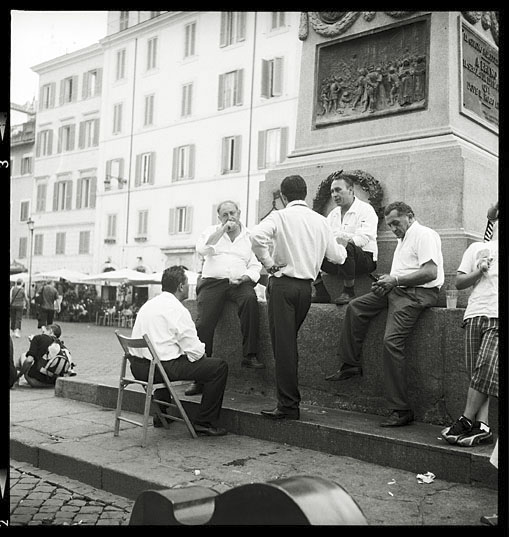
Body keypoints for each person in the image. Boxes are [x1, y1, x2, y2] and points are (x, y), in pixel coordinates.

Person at [325, 201, 444, 427]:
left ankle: (401, 409)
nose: (393, 229)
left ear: (410, 216)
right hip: (397, 289)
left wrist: (395, 280)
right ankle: (350, 364)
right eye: (389, 225)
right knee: (355, 307)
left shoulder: (424, 234)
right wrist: (386, 282)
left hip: (417, 293)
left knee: (391, 342)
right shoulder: (404, 239)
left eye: (396, 223)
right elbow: (403, 272)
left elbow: (430, 272)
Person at [250, 175, 347, 420]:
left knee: (284, 348)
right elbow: (337, 257)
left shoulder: (279, 216)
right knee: (288, 345)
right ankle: (288, 402)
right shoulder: (320, 221)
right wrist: (344, 245)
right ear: (306, 193)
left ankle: (288, 406)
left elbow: (255, 237)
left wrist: (269, 264)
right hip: (306, 290)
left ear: (283, 196)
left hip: (283, 286)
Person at [129, 265, 229, 436]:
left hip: (138, 368)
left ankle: (162, 415)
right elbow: (196, 352)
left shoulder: (148, 305)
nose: (189, 287)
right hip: (159, 370)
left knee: (163, 356)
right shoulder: (177, 310)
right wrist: (200, 354)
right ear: (181, 287)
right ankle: (204, 422)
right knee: (218, 367)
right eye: (187, 283)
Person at [186, 201, 263, 397]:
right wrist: (222, 230)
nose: (230, 217)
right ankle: (200, 377)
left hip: (240, 282)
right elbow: (203, 249)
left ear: (240, 213)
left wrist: (245, 278)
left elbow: (255, 267)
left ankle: (249, 355)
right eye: (225, 214)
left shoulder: (250, 237)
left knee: (250, 301)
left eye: (233, 213)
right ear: (219, 217)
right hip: (213, 282)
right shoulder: (212, 232)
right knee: (203, 324)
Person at [441, 204, 498, 447]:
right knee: (476, 373)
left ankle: (465, 419)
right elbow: (461, 281)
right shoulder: (477, 247)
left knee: (485, 368)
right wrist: (479, 270)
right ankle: (482, 426)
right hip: (475, 313)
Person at [313, 171, 378, 304]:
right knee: (310, 247)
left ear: (350, 190)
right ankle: (320, 291)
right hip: (338, 259)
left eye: (338, 190)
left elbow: (364, 238)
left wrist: (342, 241)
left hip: (364, 260)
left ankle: (349, 292)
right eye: (332, 192)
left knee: (346, 246)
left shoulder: (366, 210)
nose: (334, 195)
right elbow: (325, 238)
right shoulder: (333, 215)